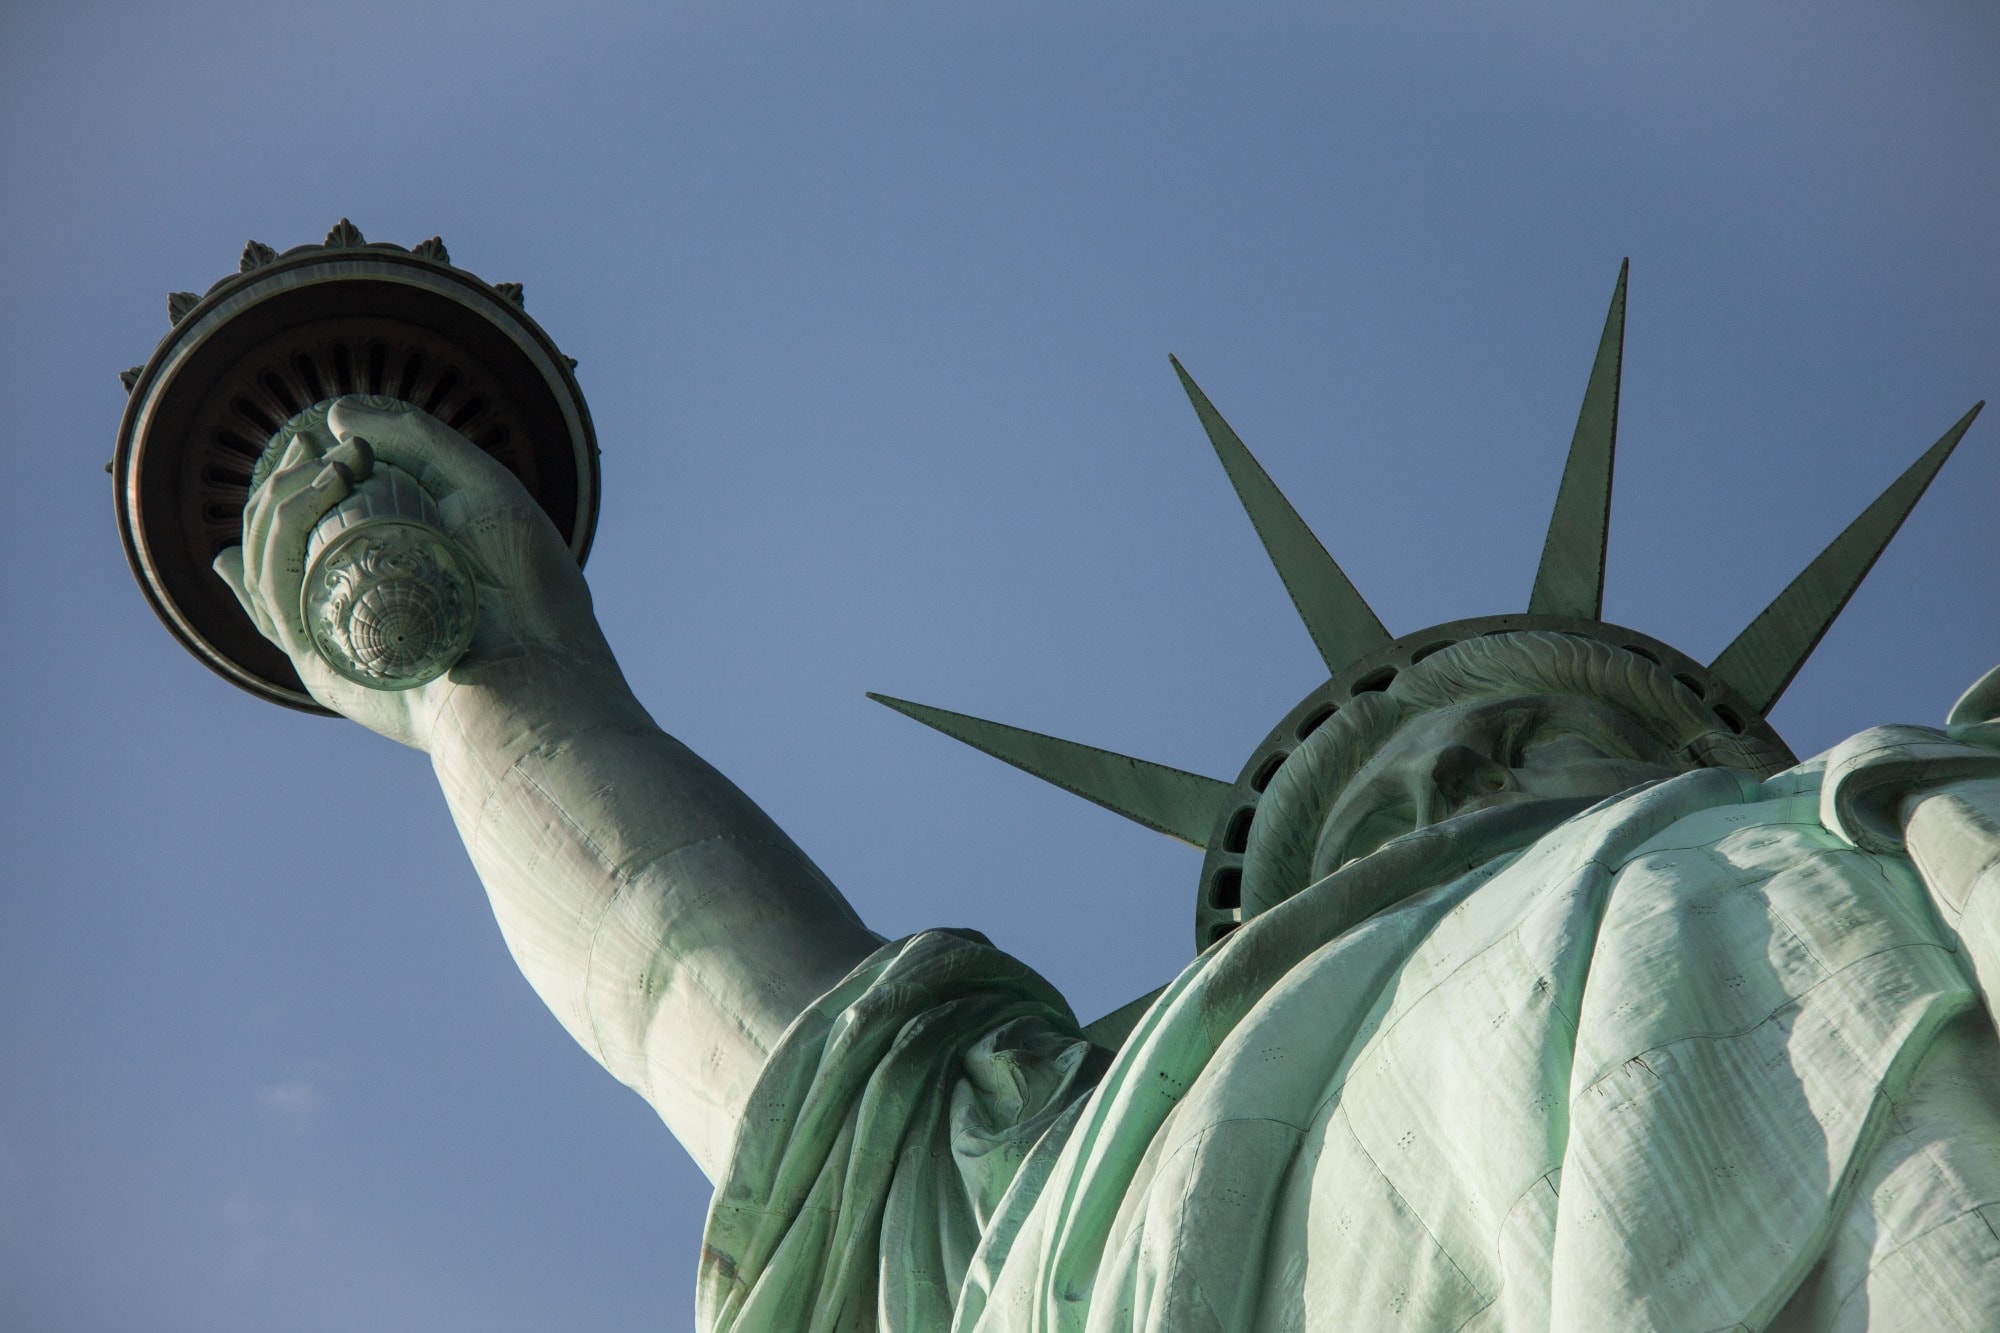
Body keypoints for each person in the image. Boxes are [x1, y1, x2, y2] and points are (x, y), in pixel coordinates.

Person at [219, 394, 2000, 1331]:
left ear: (1712, 753)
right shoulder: (1091, 1157)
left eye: (1537, 736)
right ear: (1283, 919)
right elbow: (710, 993)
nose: (1456, 771)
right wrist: (490, 675)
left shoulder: (1904, 819)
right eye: (1364, 808)